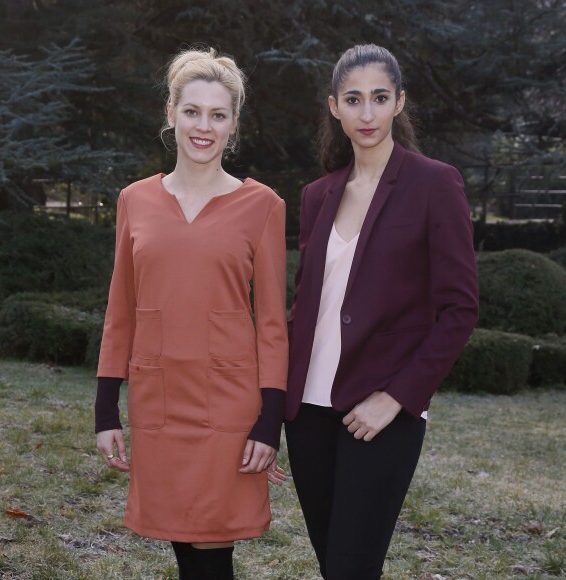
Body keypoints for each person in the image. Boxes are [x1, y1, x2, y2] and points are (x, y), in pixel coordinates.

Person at [285, 43, 479, 579]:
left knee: (352, 567)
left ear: (399, 102)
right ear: (334, 107)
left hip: (380, 412)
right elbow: (306, 307)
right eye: (353, 100)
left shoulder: (434, 184)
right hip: (307, 411)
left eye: (378, 98)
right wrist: (271, 408)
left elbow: (460, 309)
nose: (366, 113)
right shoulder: (317, 195)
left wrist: (396, 399)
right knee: (336, 567)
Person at [94, 47, 288, 580]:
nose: (204, 126)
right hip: (157, 398)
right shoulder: (134, 200)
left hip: (229, 407)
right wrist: (105, 409)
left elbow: (272, 324)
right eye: (192, 111)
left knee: (212, 549)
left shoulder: (263, 206)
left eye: (218, 114)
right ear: (171, 114)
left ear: (233, 125)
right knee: (183, 542)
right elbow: (121, 309)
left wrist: (270, 421)